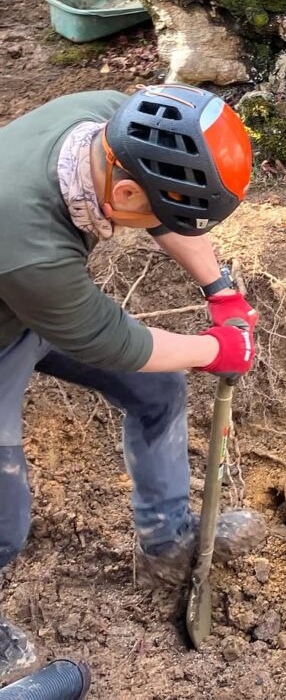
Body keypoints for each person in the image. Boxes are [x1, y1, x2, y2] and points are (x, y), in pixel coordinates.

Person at [0, 85, 266, 681]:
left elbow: (162, 202)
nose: (166, 223)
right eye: (159, 211)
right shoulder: (31, 247)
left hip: (29, 304)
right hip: (16, 307)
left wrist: (220, 290)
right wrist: (214, 349)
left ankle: (166, 540)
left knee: (155, 391)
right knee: (3, 520)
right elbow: (110, 340)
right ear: (122, 193)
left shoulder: (105, 120)